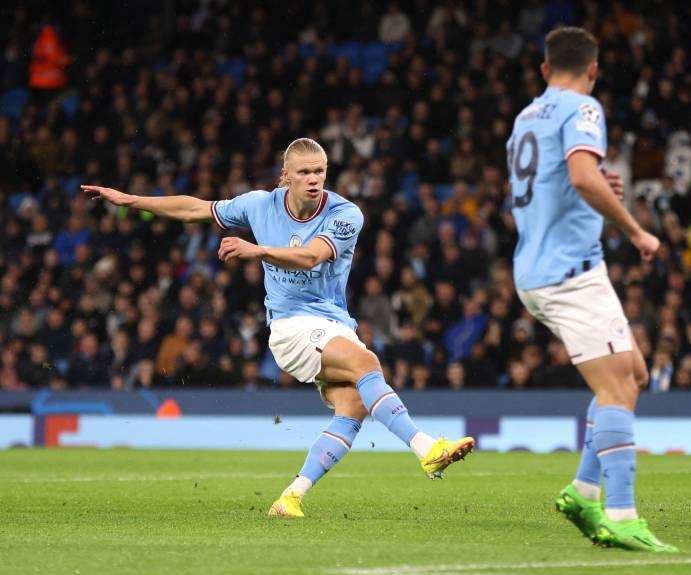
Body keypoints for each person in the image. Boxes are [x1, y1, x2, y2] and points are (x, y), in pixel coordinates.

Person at [82, 138, 474, 518]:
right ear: (285, 176)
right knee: (367, 363)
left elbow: (311, 256)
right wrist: (131, 200)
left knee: (353, 405)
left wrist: (258, 250)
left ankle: (290, 497)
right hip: (290, 327)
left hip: (333, 323)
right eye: (304, 172)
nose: (314, 178)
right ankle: (426, 448)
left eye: (320, 170)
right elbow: (194, 209)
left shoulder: (345, 213)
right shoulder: (259, 205)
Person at [506, 26, 676, 553]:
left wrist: (597, 186)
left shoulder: (526, 117)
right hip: (570, 273)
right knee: (616, 389)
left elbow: (556, 186)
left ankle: (583, 489)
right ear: (594, 70)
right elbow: (581, 176)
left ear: (543, 69)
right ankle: (621, 513)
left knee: (636, 373)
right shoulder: (584, 108)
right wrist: (637, 230)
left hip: (538, 266)